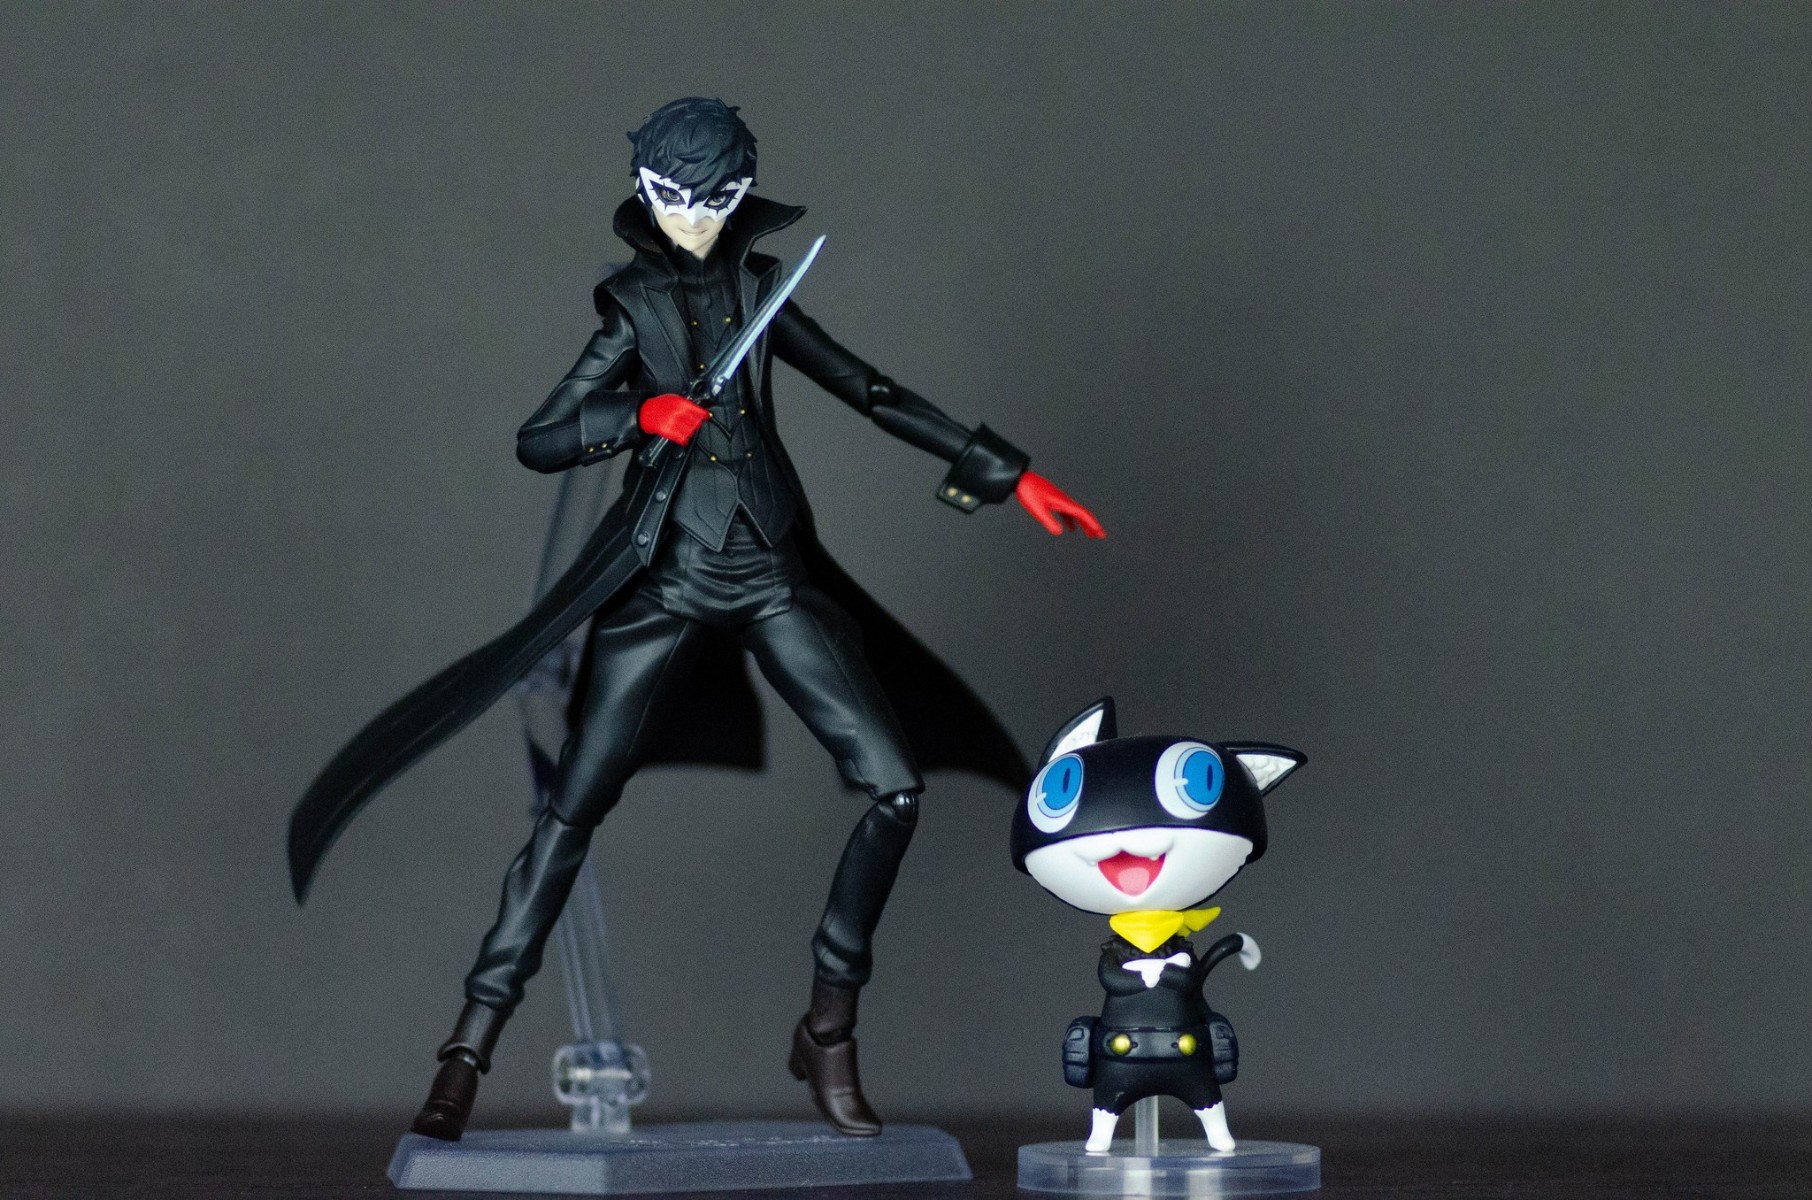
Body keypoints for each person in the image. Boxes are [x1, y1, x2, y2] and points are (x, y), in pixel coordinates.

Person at [288, 97, 1104, 1141]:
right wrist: (639, 415)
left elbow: (868, 389)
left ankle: (828, 1029)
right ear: (644, 192)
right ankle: (466, 1050)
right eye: (674, 199)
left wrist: (1006, 473)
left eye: (715, 200)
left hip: (770, 572)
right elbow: (540, 438)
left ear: (741, 192)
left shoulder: (764, 291)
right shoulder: (633, 307)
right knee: (571, 810)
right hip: (667, 579)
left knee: (896, 788)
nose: (694, 219)